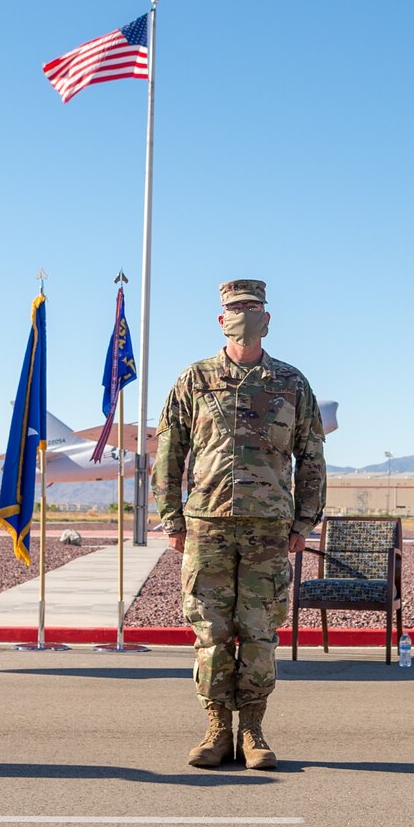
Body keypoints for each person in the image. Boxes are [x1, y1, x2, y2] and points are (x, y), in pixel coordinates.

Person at [155, 279, 325, 770]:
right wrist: (171, 516)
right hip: (205, 522)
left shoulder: (291, 383)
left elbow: (311, 455)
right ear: (220, 318)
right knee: (210, 632)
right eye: (235, 308)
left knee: (259, 632)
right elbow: (169, 453)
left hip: (268, 528)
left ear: (267, 319)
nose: (244, 316)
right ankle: (215, 730)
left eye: (252, 308)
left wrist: (304, 520)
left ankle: (252, 731)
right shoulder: (195, 379)